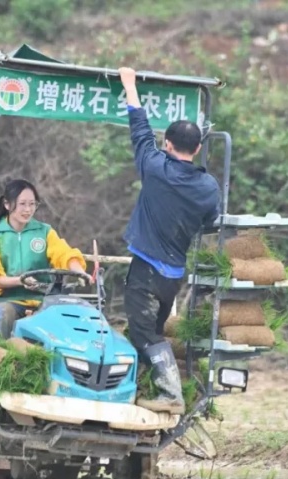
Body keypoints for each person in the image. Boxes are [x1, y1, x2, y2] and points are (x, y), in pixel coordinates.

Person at [118, 66, 222, 415]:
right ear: (197, 148)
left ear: (168, 144)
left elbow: (138, 127)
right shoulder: (208, 188)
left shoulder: (155, 168)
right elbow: (210, 223)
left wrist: (129, 84)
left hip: (146, 271)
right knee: (150, 331)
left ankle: (170, 393)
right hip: (173, 277)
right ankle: (139, 386)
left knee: (145, 335)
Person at [0, 179, 92, 344]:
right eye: (22, 204)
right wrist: (19, 281)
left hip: (44, 301)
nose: (28, 209)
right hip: (8, 300)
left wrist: (79, 271)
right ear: (7, 205)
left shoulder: (44, 232)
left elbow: (64, 254)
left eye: (32, 204)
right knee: (5, 314)